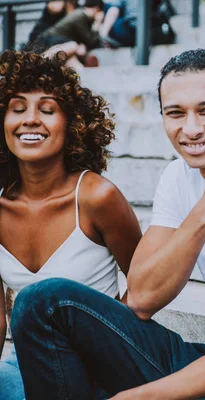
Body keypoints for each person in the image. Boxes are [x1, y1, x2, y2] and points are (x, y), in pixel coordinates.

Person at [10, 48, 205, 399]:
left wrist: (138, 397)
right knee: (41, 302)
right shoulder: (179, 178)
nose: (191, 129)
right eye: (176, 113)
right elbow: (142, 299)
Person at [0, 50, 142, 400]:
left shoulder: (98, 197)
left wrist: (106, 348)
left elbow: (145, 285)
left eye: (47, 110)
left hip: (99, 359)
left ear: (73, 123)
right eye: (17, 109)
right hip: (26, 359)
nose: (30, 120)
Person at [36, 0, 106, 70]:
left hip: (58, 42)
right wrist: (97, 23)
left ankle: (84, 72)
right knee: (74, 46)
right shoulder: (80, 16)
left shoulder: (81, 14)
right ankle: (40, 62)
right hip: (49, 41)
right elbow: (90, 41)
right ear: (97, 9)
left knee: (73, 60)